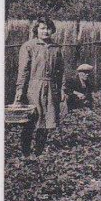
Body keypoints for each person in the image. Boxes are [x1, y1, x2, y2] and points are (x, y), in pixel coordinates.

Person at [13, 16, 66, 156]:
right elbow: (23, 70)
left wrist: (62, 89)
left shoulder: (56, 48)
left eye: (48, 28)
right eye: (42, 28)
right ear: (36, 30)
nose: (45, 31)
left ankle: (38, 152)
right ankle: (25, 153)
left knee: (47, 121)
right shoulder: (29, 46)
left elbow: (61, 72)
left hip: (51, 88)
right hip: (33, 88)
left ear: (52, 30)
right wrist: (20, 89)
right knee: (32, 119)